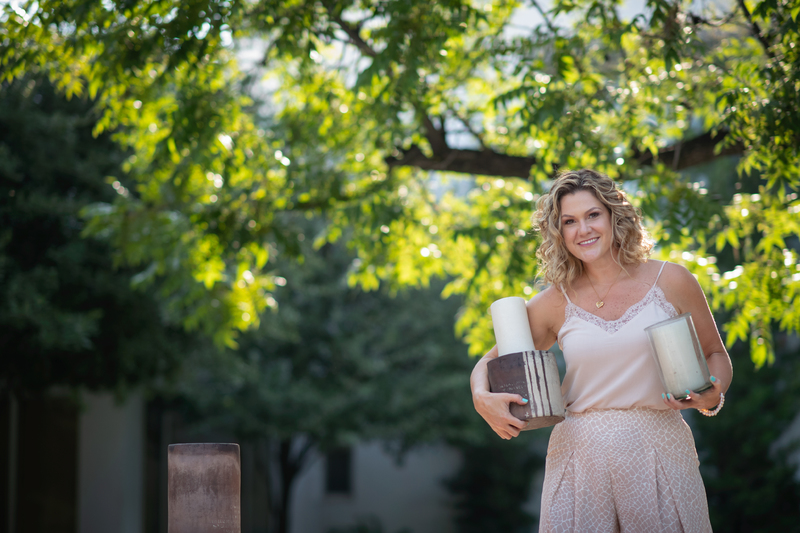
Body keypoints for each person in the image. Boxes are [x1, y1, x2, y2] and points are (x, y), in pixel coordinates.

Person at [470, 168, 732, 533]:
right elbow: (490, 362)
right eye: (570, 221)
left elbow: (715, 354)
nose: (584, 229)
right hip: (578, 456)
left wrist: (713, 394)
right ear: (559, 232)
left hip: (660, 448)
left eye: (593, 215)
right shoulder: (553, 301)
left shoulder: (672, 280)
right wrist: (481, 397)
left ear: (614, 216)